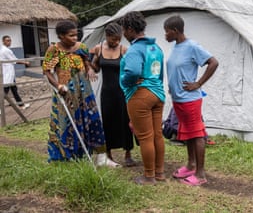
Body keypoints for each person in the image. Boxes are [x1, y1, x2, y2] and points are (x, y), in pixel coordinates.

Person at [42, 20, 119, 167]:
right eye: (71, 35)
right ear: (61, 36)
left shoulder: (82, 47)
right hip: (67, 93)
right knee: (68, 124)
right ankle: (69, 157)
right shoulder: (54, 50)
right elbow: (47, 71)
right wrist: (58, 85)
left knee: (92, 120)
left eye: (76, 34)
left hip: (85, 92)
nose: (75, 38)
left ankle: (100, 157)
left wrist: (89, 69)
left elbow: (86, 62)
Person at [164, 15, 218, 186]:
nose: (165, 36)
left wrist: (198, 83)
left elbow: (213, 62)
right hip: (179, 99)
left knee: (197, 134)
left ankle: (200, 174)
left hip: (190, 100)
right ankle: (191, 165)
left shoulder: (192, 46)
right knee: (187, 133)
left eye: (167, 32)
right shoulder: (177, 46)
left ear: (175, 31)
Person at [119, 11, 165, 185]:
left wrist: (125, 80)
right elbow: (160, 73)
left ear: (130, 29)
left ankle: (148, 176)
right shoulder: (156, 48)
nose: (123, 34)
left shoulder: (135, 49)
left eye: (124, 30)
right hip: (157, 94)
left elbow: (132, 71)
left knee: (145, 137)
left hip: (140, 95)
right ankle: (159, 173)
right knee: (157, 135)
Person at [90, 23, 136, 167]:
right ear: (107, 36)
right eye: (113, 39)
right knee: (108, 121)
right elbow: (96, 68)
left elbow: (131, 70)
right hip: (107, 92)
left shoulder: (124, 50)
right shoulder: (99, 49)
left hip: (122, 91)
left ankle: (128, 153)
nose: (115, 42)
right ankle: (108, 153)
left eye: (118, 39)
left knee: (125, 120)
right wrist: (91, 66)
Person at [1, 35, 30, 110]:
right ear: (3, 41)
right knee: (4, 92)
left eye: (10, 40)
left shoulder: (3, 49)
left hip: (8, 74)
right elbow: (14, 61)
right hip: (7, 74)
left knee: (14, 90)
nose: (9, 42)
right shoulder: (6, 50)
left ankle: (21, 105)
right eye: (7, 40)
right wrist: (25, 63)